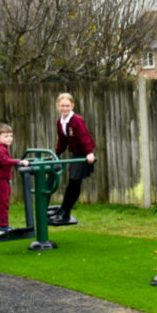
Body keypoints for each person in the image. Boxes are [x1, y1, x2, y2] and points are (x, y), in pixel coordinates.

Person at [52, 92, 97, 225]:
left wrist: (89, 153)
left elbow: (84, 136)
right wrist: (55, 154)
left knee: (74, 183)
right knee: (72, 183)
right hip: (75, 154)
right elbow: (62, 141)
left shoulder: (76, 119)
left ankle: (65, 211)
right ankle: (63, 209)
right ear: (58, 106)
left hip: (83, 154)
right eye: (62, 106)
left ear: (72, 106)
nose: (65, 108)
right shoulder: (60, 122)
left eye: (67, 106)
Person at [0, 123, 29, 236]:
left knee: (1, 203)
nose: (9, 138)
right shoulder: (1, 149)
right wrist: (19, 162)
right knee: (3, 203)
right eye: (6, 136)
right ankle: (3, 227)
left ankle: (0, 226)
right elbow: (5, 161)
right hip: (0, 180)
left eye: (11, 136)